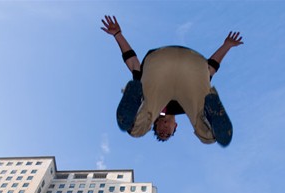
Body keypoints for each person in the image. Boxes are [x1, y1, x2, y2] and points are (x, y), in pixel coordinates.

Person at [101, 15, 243, 147]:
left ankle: (136, 113)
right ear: (175, 126)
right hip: (193, 66)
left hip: (160, 65)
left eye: (160, 131)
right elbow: (210, 70)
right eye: (167, 133)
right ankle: (211, 120)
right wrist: (227, 45)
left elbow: (133, 64)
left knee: (136, 130)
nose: (164, 129)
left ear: (155, 123)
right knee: (209, 137)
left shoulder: (153, 104)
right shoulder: (190, 105)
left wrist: (117, 35)